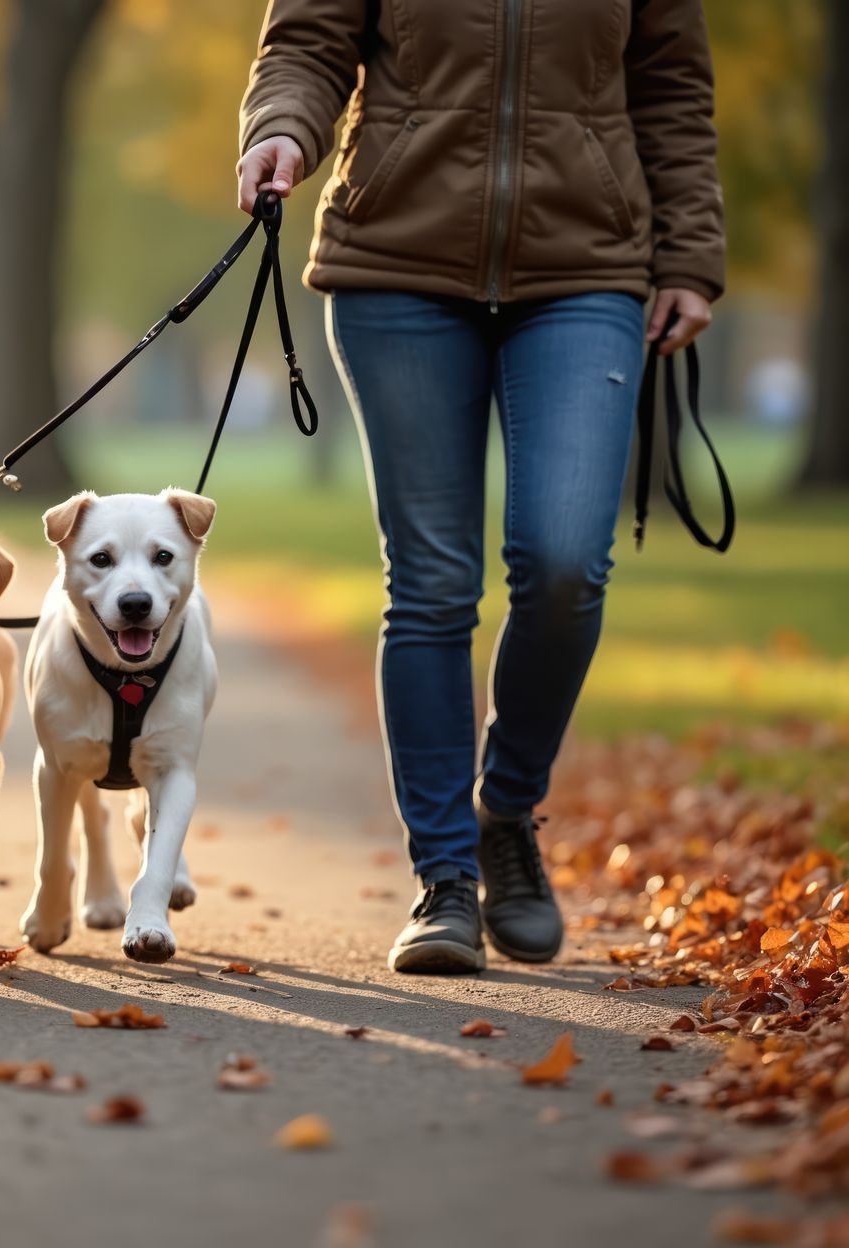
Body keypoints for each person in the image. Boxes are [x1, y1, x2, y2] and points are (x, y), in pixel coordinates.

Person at [236, 0, 724, 972]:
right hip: (395, 263)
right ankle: (445, 881)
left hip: (586, 269)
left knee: (563, 559)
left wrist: (691, 255)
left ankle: (507, 808)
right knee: (430, 581)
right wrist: (283, 129)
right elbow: (308, 41)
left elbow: (672, 86)